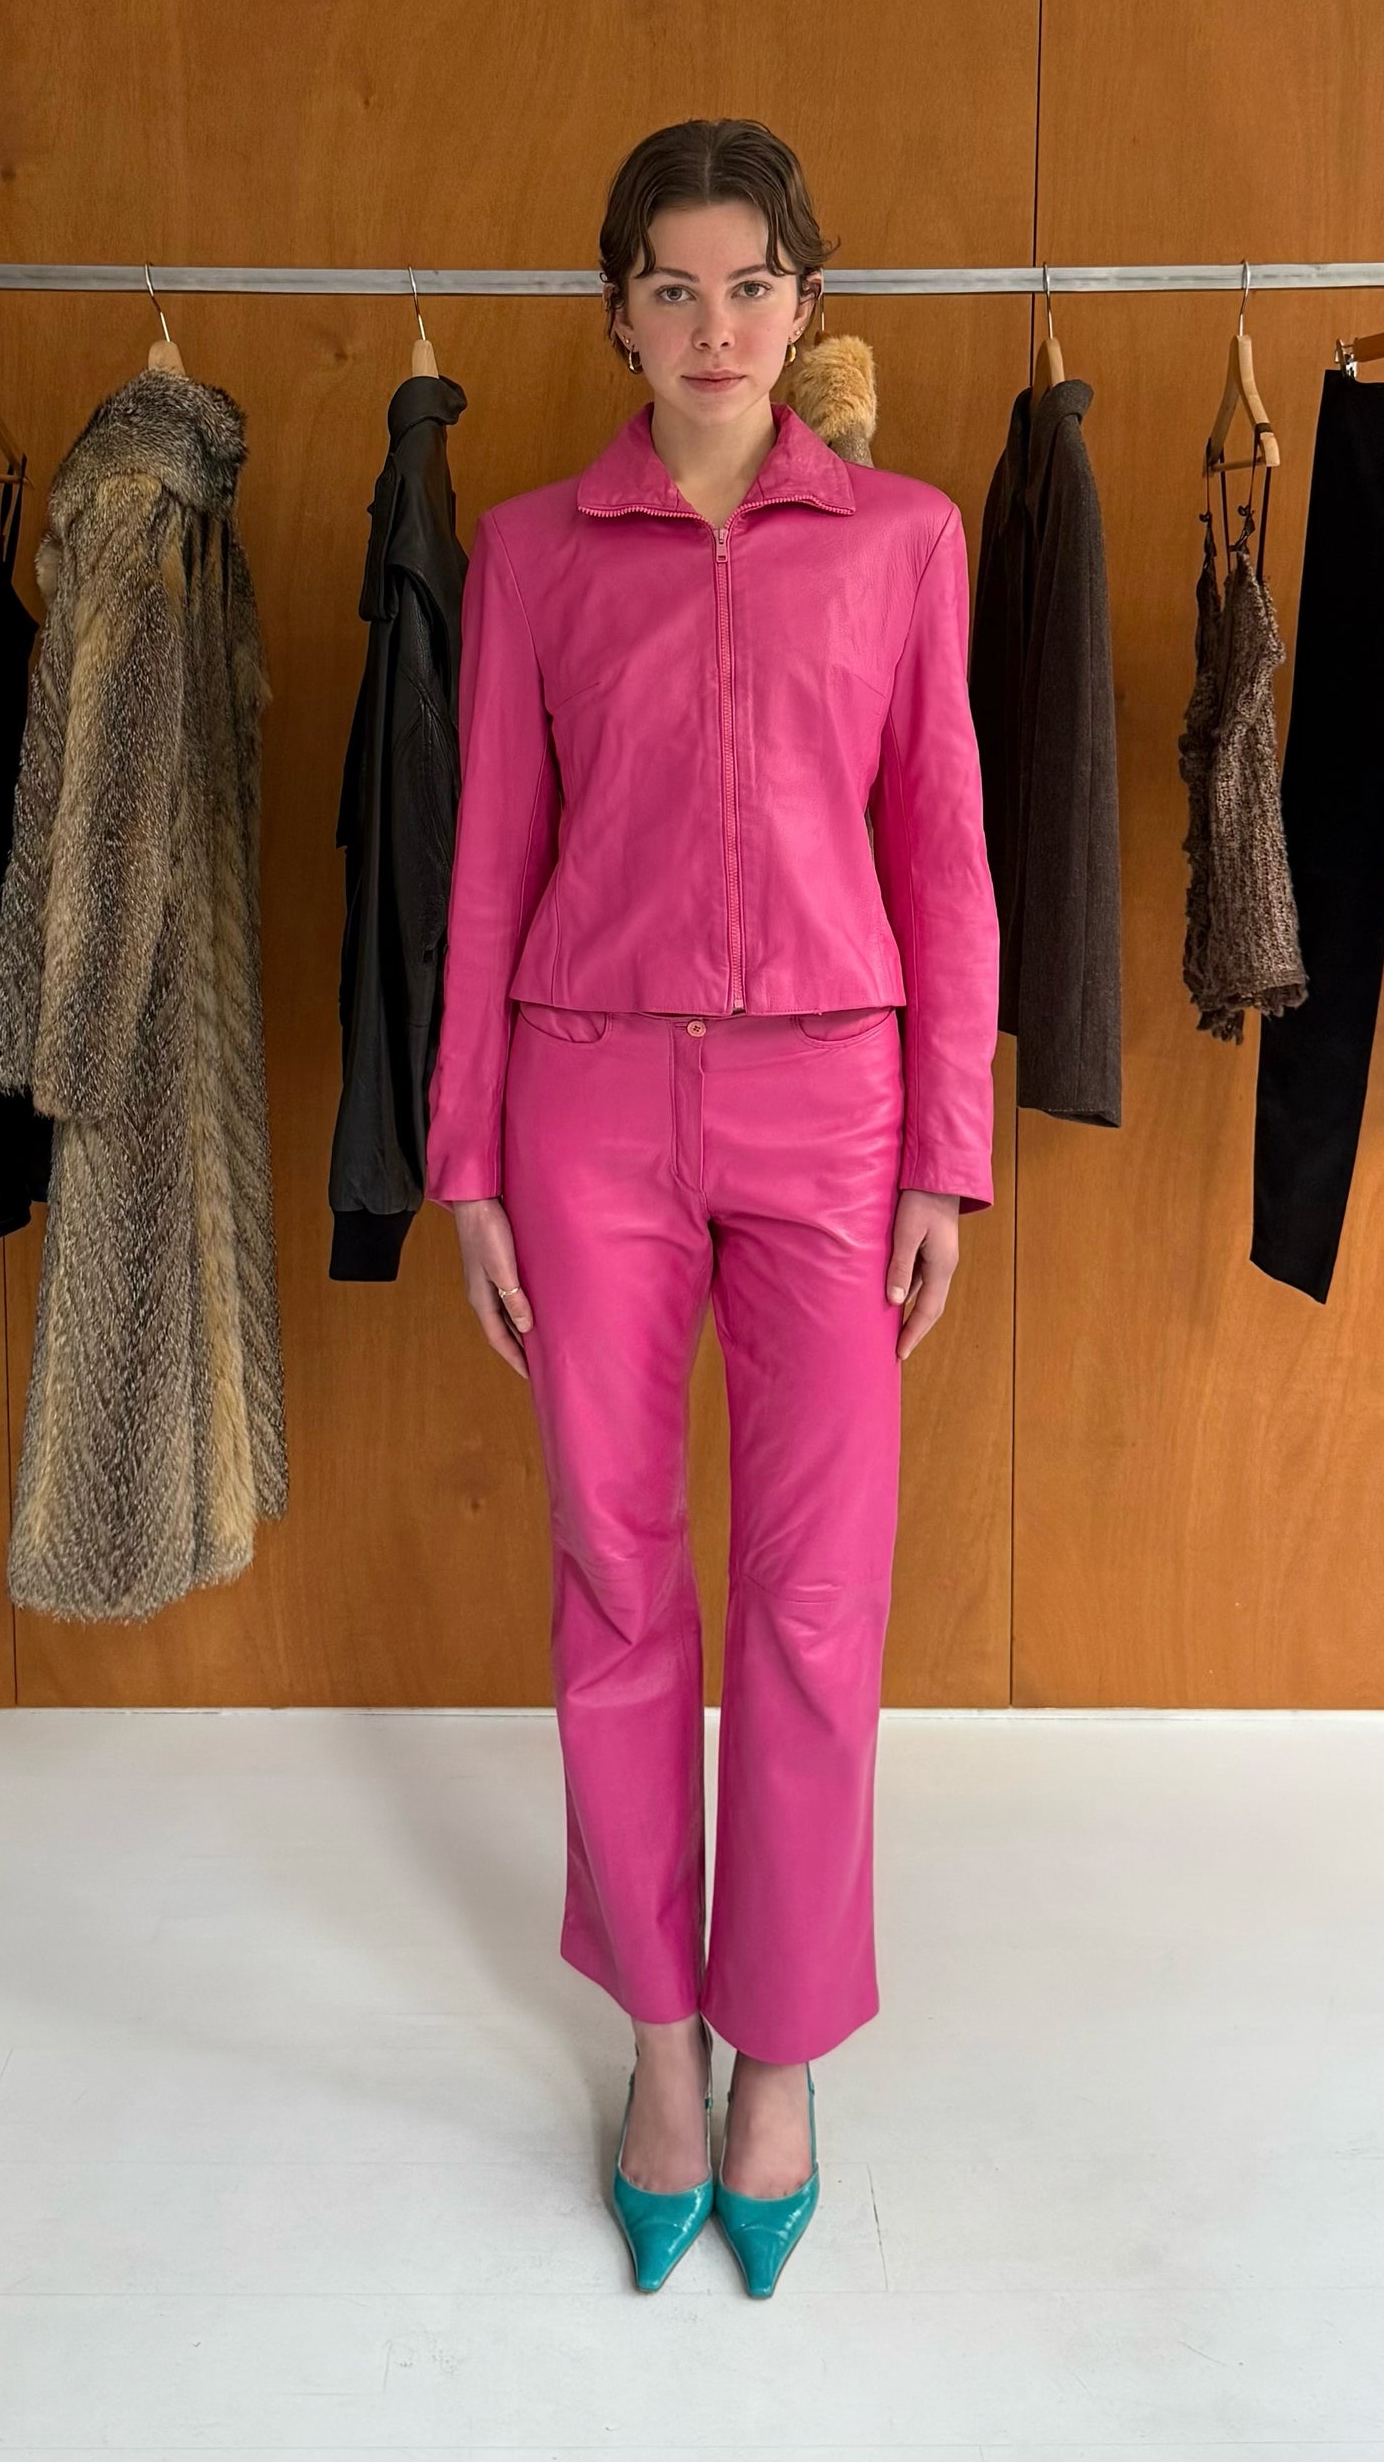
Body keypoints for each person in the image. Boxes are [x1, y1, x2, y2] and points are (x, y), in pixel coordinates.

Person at [423, 117, 1001, 2294]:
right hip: (584, 1102)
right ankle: (659, 2037)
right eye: (669, 287)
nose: (712, 325)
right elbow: (488, 861)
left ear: (804, 302)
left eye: (748, 284)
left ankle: (782, 2046)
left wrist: (942, 1146)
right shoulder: (530, 551)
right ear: (618, 313)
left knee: (817, 1598)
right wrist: (468, 1157)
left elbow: (944, 852)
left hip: (831, 1111)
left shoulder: (904, 541)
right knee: (615, 1575)